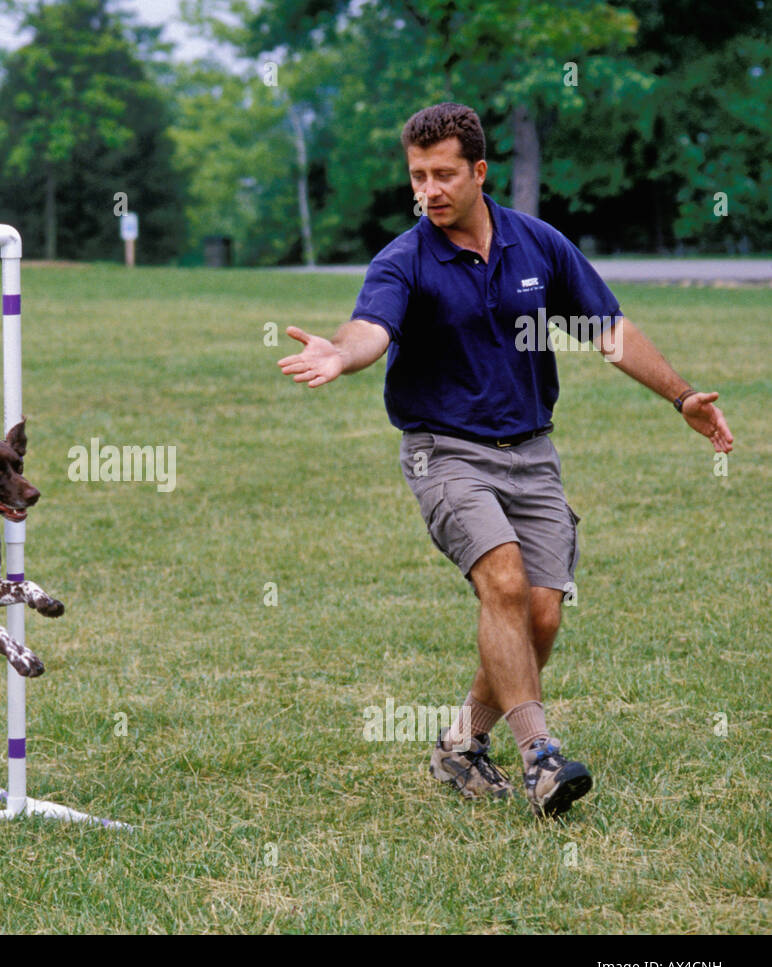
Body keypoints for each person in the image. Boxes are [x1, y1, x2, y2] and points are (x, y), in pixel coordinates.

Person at [279, 102, 734, 817]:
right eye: (417, 176)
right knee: (505, 580)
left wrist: (681, 398)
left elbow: (608, 329)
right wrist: (341, 352)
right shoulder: (406, 259)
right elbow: (371, 326)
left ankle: (461, 742)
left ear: (480, 172)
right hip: (444, 449)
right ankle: (540, 757)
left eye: (443, 174)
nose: (427, 190)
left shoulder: (537, 245)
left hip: (531, 450)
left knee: (543, 615)